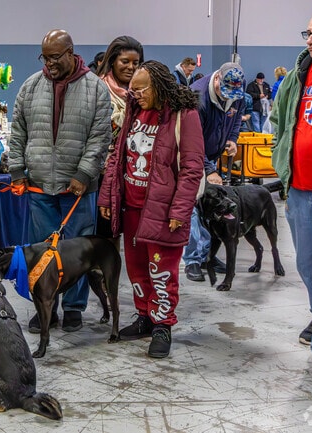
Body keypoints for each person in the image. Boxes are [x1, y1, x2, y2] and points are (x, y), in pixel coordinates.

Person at [98, 60, 204, 358]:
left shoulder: (184, 115)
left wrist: (179, 211)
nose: (136, 94)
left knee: (162, 272)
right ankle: (144, 317)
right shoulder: (133, 110)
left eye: (141, 89)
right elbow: (117, 158)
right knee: (136, 270)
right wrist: (108, 197)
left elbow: (193, 168)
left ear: (158, 86)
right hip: (131, 207)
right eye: (132, 89)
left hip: (163, 209)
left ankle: (162, 325)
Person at [9, 29, 112, 333]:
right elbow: (18, 133)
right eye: (45, 57)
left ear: (70, 52)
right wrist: (17, 171)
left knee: (78, 252)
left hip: (78, 189)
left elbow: (100, 137)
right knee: (42, 252)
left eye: (55, 57)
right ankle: (47, 307)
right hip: (39, 186)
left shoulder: (95, 88)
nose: (50, 63)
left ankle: (74, 308)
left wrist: (84, 173)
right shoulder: (30, 86)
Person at [270, 9, 312, 386]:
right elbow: (278, 121)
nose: (310, 39)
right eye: (307, 33)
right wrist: (281, 160)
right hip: (299, 191)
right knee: (309, 268)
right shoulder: (296, 78)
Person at [183, 62, 245, 282]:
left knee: (211, 207)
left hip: (213, 155)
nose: (230, 97)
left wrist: (232, 139)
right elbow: (192, 139)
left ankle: (207, 256)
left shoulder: (237, 85)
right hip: (190, 157)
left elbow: (238, 114)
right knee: (191, 207)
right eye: (225, 92)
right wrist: (208, 169)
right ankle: (192, 260)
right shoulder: (197, 97)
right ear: (217, 78)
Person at [95, 35, 144, 238]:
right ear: (112, 61)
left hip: (133, 172)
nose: (131, 67)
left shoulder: (142, 93)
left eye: (136, 63)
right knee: (104, 235)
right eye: (125, 62)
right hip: (101, 174)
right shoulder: (97, 88)